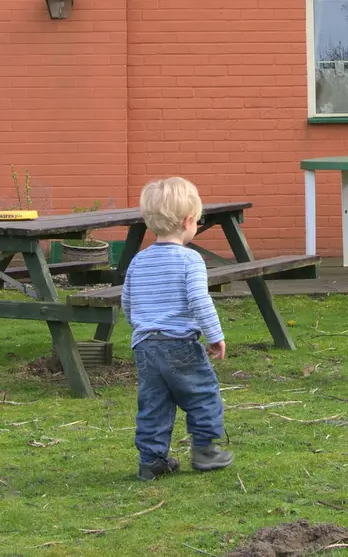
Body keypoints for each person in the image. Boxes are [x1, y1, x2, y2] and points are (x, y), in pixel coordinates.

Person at [122, 176, 236, 480]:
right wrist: (215, 335)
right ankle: (205, 450)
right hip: (179, 343)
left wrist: (140, 328)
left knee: (153, 403)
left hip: (145, 345)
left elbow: (128, 302)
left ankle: (151, 460)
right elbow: (200, 301)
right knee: (202, 395)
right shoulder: (190, 260)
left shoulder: (138, 261)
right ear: (189, 221)